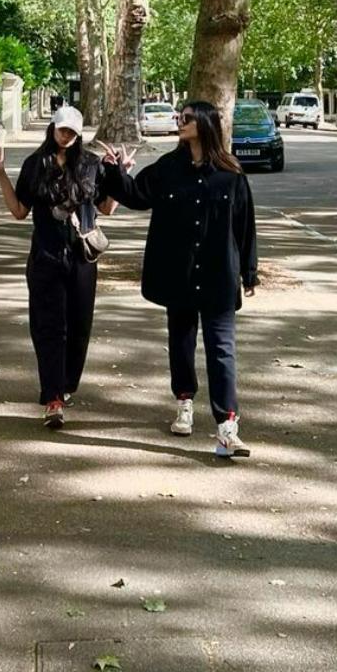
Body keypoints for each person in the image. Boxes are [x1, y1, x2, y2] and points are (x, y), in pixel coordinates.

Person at [100, 100, 258, 458]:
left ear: (203, 124)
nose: (179, 122)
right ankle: (184, 402)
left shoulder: (231, 173)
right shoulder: (169, 168)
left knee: (222, 351)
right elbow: (136, 195)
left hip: (219, 276)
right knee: (182, 344)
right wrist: (113, 171)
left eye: (185, 118)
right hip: (179, 275)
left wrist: (249, 271)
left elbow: (245, 225)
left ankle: (227, 427)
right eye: (179, 117)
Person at [0, 106, 115, 429]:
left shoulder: (90, 165)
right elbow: (19, 211)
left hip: (81, 259)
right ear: (52, 128)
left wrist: (119, 176)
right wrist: (1, 174)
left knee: (78, 326)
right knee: (48, 327)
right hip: (45, 256)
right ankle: (53, 397)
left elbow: (106, 208)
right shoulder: (35, 164)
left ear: (78, 134)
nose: (66, 136)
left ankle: (66, 383)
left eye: (72, 132)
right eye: (62, 130)